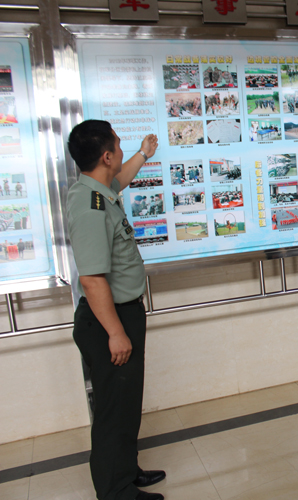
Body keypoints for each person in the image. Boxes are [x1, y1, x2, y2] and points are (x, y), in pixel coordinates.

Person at [66, 120, 165, 500]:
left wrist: (143, 153)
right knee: (112, 410)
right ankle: (116, 491)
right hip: (110, 321)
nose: (122, 152)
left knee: (126, 404)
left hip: (122, 314)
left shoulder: (97, 187)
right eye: (120, 147)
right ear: (106, 155)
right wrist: (116, 333)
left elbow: (119, 179)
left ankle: (126, 470)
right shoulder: (90, 206)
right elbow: (92, 280)